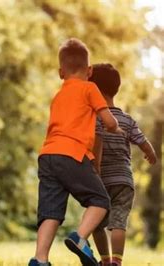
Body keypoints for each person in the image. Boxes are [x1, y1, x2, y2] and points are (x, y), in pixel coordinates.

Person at [28, 38, 124, 266]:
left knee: (50, 212)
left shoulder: (58, 96)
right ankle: (80, 238)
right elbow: (108, 122)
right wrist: (117, 128)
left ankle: (40, 259)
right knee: (101, 200)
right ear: (89, 71)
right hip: (72, 153)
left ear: (61, 72)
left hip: (48, 155)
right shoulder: (89, 88)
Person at [89, 64, 157, 266]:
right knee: (119, 222)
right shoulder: (126, 119)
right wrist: (150, 153)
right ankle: (117, 262)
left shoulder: (94, 119)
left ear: (95, 91)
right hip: (124, 180)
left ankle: (105, 260)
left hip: (100, 180)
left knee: (96, 223)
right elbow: (142, 141)